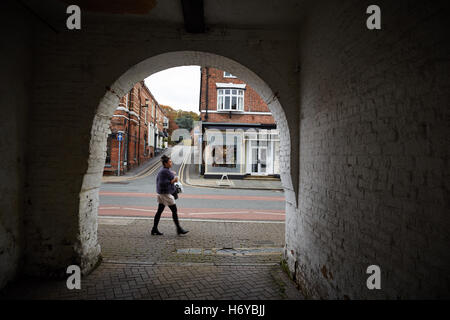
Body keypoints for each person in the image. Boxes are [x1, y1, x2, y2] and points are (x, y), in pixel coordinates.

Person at [151, 155, 189, 236]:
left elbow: (165, 176)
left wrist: (171, 174)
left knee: (159, 211)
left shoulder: (164, 170)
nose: (171, 163)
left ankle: (154, 228)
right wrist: (173, 181)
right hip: (165, 194)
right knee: (174, 210)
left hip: (161, 193)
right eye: (170, 162)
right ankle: (179, 229)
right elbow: (162, 183)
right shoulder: (165, 171)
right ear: (165, 163)